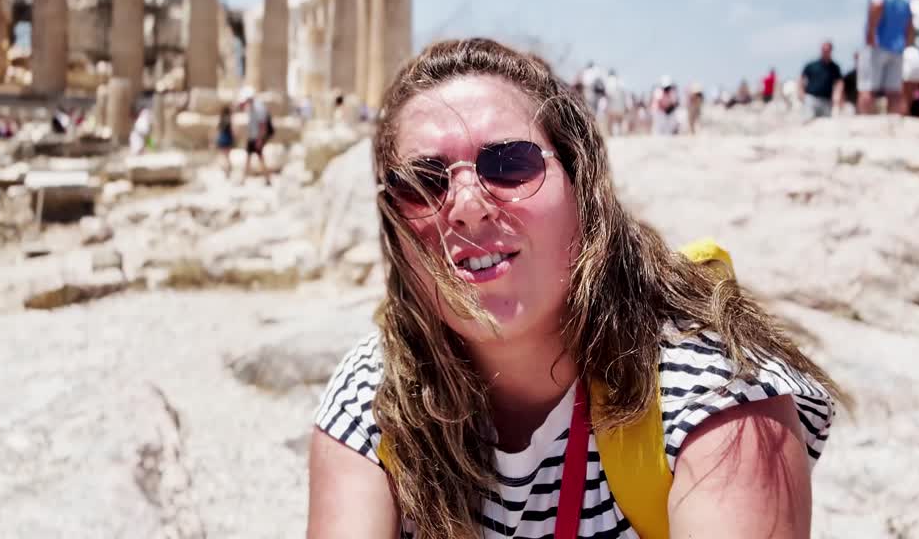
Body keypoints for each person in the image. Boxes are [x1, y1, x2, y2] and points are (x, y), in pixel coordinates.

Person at [309, 38, 840, 538]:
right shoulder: (377, 395)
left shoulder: (716, 396)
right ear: (392, 224)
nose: (467, 207)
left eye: (509, 164)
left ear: (582, 185)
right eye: (424, 181)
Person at [858, 0, 913, 115]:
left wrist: (871, 32)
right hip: (898, 47)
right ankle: (894, 123)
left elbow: (877, 4)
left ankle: (864, 122)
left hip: (878, 44)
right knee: (894, 90)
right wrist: (907, 41)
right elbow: (910, 21)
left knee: (867, 88)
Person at [799, 41, 845, 120]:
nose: (825, 52)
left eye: (827, 50)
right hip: (811, 98)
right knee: (808, 120)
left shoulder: (835, 67)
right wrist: (801, 93)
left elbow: (839, 83)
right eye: (823, 50)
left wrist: (837, 96)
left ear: (831, 51)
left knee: (826, 123)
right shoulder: (812, 65)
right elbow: (801, 79)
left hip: (826, 100)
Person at [238, 87, 273, 185]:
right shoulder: (251, 107)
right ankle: (265, 179)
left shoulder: (259, 108)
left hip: (257, 138)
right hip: (253, 137)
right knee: (251, 158)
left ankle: (267, 179)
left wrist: (260, 140)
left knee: (259, 158)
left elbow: (262, 126)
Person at [603, 68, 627, 136]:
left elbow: (607, 93)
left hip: (612, 103)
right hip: (620, 104)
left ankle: (614, 135)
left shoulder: (608, 81)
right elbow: (624, 93)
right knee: (619, 120)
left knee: (612, 121)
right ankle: (620, 134)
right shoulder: (620, 81)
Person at [215, 105, 235, 172]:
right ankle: (228, 168)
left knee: (224, 155)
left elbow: (218, 129)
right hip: (228, 138)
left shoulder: (222, 119)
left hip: (223, 138)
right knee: (227, 156)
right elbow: (232, 130)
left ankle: (227, 168)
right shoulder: (229, 119)